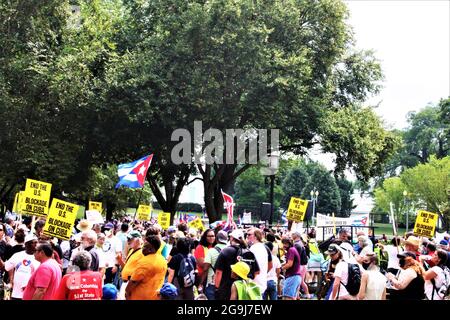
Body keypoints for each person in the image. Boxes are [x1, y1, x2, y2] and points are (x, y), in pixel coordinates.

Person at [215, 229, 259, 300]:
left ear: (232, 238)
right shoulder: (248, 252)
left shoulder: (226, 251)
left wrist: (217, 288)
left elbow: (218, 272)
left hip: (226, 290)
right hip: (243, 290)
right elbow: (256, 272)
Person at [126, 235, 167, 300]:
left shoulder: (145, 262)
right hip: (155, 297)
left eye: (144, 246)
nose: (142, 248)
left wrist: (127, 292)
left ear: (150, 249)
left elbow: (134, 281)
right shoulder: (163, 260)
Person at [4, 233, 40, 300]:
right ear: (26, 244)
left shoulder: (39, 257)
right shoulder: (17, 255)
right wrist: (11, 282)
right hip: (16, 294)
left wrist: (30, 286)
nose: (36, 245)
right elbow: (6, 267)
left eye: (37, 242)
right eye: (33, 242)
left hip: (30, 295)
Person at [201, 230, 228, 300]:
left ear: (216, 239)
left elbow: (205, 268)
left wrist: (200, 283)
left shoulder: (211, 251)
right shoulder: (231, 250)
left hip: (212, 283)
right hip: (226, 284)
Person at [247, 228, 272, 295]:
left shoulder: (253, 248)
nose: (247, 236)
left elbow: (251, 266)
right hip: (261, 283)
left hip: (254, 283)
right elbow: (270, 266)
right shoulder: (265, 248)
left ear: (256, 236)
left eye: (249, 234)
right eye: (247, 234)